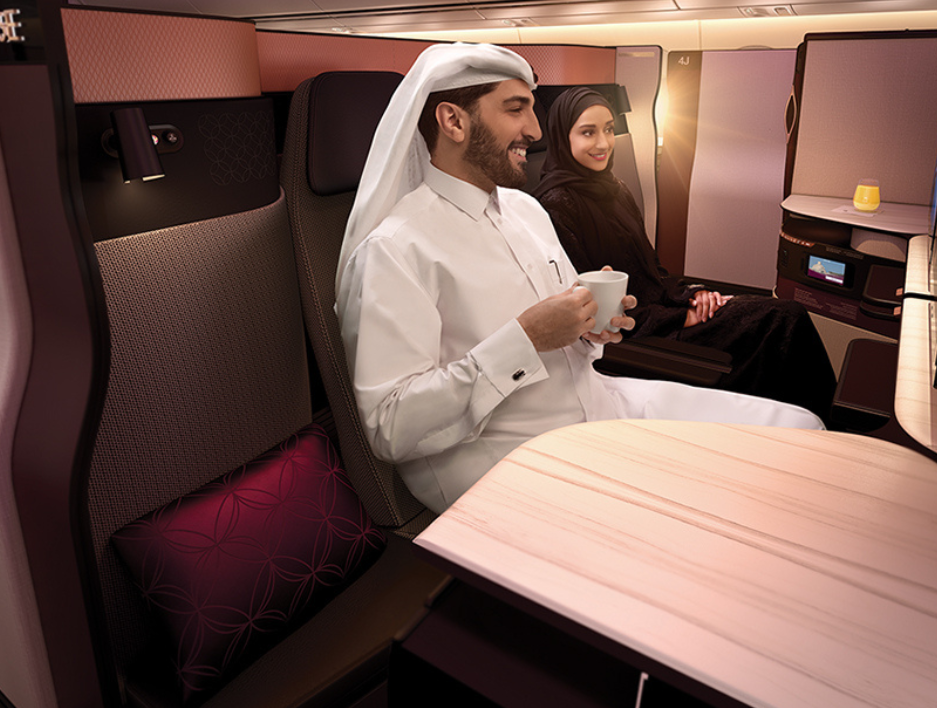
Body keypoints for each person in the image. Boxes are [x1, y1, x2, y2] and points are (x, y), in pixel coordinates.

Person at [336, 43, 823, 514]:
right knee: (746, 501)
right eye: (516, 109)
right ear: (454, 121)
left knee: (802, 431)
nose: (534, 129)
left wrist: (592, 329)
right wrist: (525, 340)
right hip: (513, 459)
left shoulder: (525, 211)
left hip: (600, 403)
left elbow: (573, 335)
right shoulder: (394, 250)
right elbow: (391, 427)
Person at [532, 86, 838, 422]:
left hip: (665, 306)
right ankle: (811, 427)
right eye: (588, 132)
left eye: (608, 129)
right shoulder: (555, 206)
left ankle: (811, 422)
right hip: (637, 332)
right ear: (563, 137)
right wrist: (679, 317)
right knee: (783, 321)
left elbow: (652, 269)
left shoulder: (614, 189)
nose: (603, 143)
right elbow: (591, 308)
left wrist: (692, 295)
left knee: (785, 315)